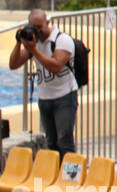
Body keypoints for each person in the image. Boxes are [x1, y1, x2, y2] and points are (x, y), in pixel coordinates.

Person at [9, 8, 78, 157]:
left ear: (47, 23)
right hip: (45, 99)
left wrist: (33, 49)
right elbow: (13, 64)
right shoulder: (34, 43)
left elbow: (56, 66)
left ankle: (72, 179)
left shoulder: (62, 40)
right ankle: (56, 177)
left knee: (64, 141)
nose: (37, 31)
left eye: (40, 27)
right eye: (34, 27)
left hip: (65, 97)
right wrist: (19, 43)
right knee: (52, 142)